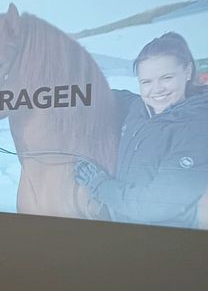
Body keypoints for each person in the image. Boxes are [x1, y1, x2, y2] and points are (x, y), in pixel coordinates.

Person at [75, 32, 208, 228]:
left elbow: (156, 206)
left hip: (165, 240)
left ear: (187, 72)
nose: (157, 89)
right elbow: (106, 95)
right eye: (146, 82)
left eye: (166, 78)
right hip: (124, 230)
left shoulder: (197, 130)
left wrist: (99, 184)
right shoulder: (139, 107)